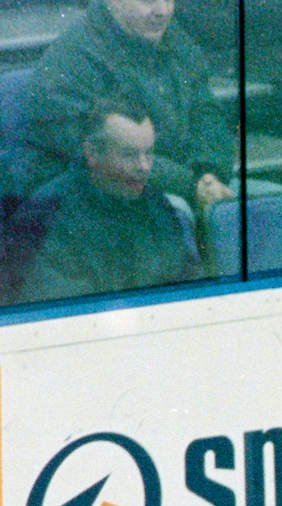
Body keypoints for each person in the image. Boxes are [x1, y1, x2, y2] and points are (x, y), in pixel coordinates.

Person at [25, 0, 235, 214]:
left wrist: (209, 173)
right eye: (148, 0)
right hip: (102, 202)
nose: (162, 11)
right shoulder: (71, 60)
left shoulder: (174, 39)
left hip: (189, 183)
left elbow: (207, 115)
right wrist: (190, 185)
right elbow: (105, 158)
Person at [13, 99, 201, 304]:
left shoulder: (156, 204)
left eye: (149, 153)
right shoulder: (45, 216)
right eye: (129, 155)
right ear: (92, 153)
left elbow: (188, 284)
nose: (144, 167)